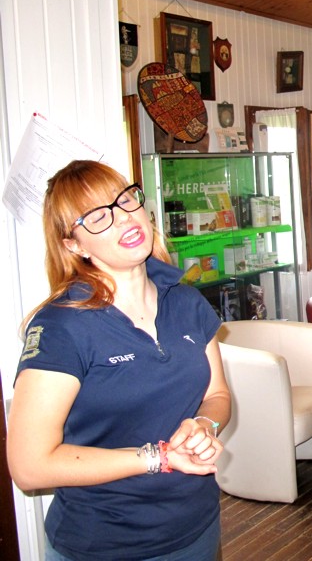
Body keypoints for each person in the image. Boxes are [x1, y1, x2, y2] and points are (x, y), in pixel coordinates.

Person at [7, 160, 232, 561]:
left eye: (126, 200)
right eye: (97, 216)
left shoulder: (186, 300)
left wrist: (204, 424)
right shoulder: (62, 326)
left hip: (196, 526)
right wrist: (159, 457)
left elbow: (217, 395)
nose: (124, 217)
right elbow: (29, 467)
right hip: (105, 543)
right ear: (73, 245)